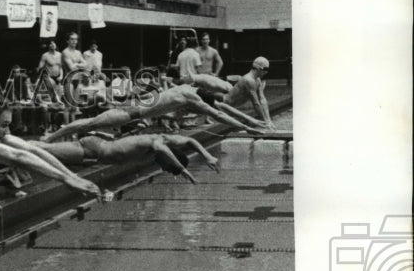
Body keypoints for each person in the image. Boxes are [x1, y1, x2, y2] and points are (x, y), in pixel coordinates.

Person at [40, 77, 265, 141]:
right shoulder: (192, 98)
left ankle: (56, 135)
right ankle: (52, 136)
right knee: (91, 123)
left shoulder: (189, 89)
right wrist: (246, 128)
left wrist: (252, 123)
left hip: (138, 108)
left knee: (96, 125)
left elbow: (221, 108)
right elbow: (218, 114)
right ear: (202, 99)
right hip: (132, 111)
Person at [33, 132, 220, 184]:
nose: (163, 169)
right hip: (94, 149)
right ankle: (8, 144)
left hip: (94, 156)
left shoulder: (160, 147)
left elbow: (189, 139)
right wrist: (183, 170)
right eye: (167, 167)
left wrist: (207, 155)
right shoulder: (158, 143)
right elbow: (164, 149)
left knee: (44, 156)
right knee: (46, 149)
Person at [216, 57, 275, 129]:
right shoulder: (249, 80)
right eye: (265, 69)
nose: (266, 72)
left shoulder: (258, 80)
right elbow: (256, 103)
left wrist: (268, 120)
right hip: (223, 104)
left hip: (230, 106)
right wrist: (265, 122)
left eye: (267, 69)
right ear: (258, 68)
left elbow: (262, 99)